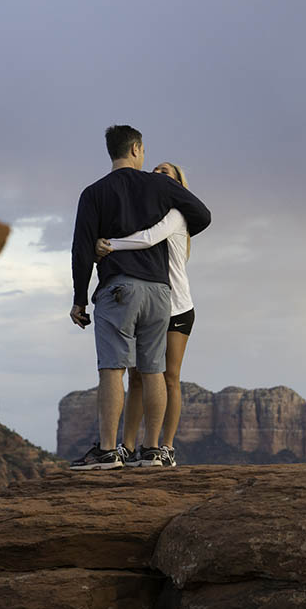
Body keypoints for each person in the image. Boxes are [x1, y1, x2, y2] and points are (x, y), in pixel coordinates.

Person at [70, 126, 211, 470]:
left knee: (113, 371)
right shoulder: (162, 187)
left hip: (119, 289)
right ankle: (151, 451)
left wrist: (79, 299)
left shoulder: (93, 193)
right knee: (153, 371)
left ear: (114, 151)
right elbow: (203, 216)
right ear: (136, 149)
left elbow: (81, 249)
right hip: (160, 292)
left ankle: (107, 450)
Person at [95, 163, 194, 467]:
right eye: (155, 170)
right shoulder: (149, 211)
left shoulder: (176, 215)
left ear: (178, 184)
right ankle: (127, 445)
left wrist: (110, 245)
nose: (157, 174)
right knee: (138, 376)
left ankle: (164, 446)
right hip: (153, 304)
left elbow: (149, 238)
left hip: (176, 306)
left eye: (166, 172)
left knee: (169, 377)